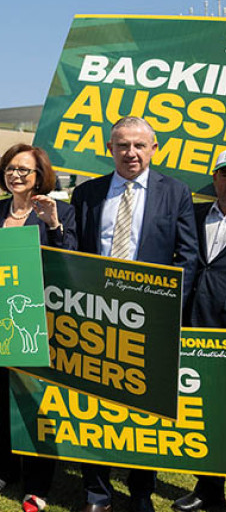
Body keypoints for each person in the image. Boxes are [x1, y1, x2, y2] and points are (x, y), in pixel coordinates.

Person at [71, 116, 199, 512]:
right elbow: (76, 250)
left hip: (149, 321)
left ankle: (141, 491)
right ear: (110, 149)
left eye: (139, 146)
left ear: (154, 148)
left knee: (143, 410)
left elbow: (188, 255)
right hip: (95, 317)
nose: (131, 153)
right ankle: (97, 492)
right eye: (123, 145)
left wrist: (163, 307)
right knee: (93, 403)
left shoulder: (174, 192)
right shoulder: (88, 192)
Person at [0, 144, 77, 512]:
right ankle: (4, 469)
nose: (16, 175)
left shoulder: (59, 209)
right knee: (2, 399)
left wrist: (53, 224)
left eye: (25, 170)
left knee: (38, 405)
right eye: (10, 168)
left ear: (41, 176)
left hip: (41, 323)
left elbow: (70, 259)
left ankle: (37, 485)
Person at [172, 151, 226, 512]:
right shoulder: (194, 214)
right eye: (225, 172)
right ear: (215, 177)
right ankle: (208, 489)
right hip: (196, 327)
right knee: (208, 414)